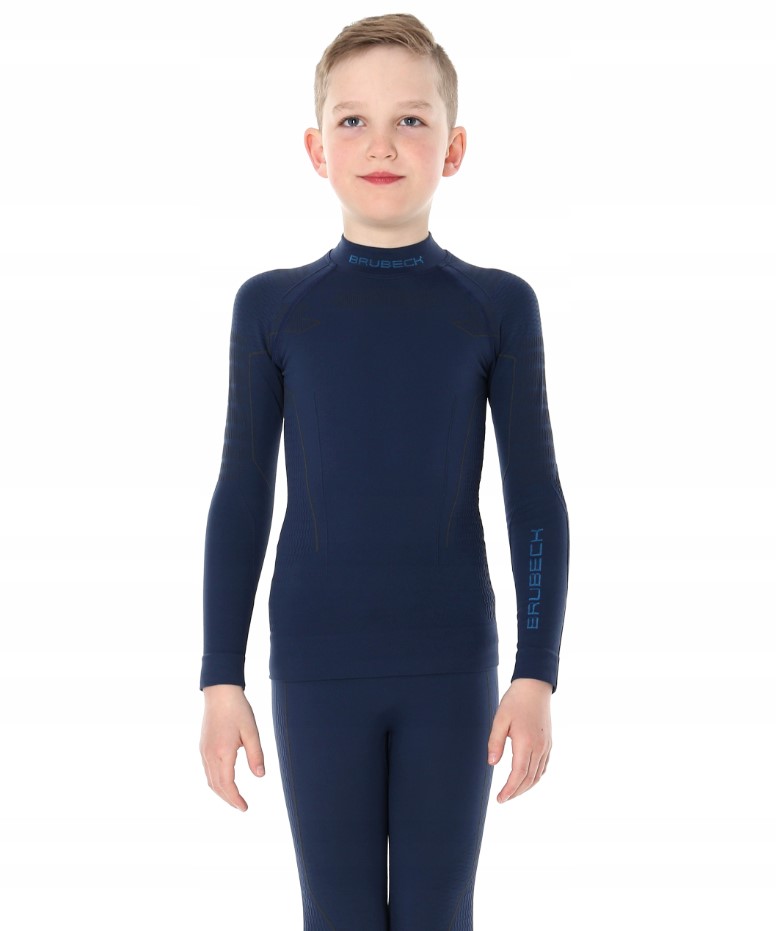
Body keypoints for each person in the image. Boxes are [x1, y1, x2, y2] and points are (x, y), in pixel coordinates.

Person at [198, 12, 570, 930]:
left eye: (411, 119)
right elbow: (242, 496)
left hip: (452, 667)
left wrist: (536, 672)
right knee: (337, 914)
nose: (382, 143)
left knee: (440, 912)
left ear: (454, 148)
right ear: (316, 148)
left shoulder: (496, 305)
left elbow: (535, 497)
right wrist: (219, 676)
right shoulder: (273, 307)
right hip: (317, 665)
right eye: (353, 121)